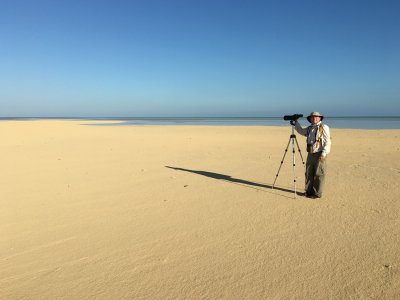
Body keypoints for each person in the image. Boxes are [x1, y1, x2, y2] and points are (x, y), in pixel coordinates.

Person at [293, 112, 331, 198]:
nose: (314, 118)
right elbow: (301, 131)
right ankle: (308, 192)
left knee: (319, 174)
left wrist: (324, 153)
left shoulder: (324, 127)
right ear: (310, 119)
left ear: (320, 118)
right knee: (309, 173)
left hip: (320, 153)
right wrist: (296, 123)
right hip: (310, 153)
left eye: (316, 117)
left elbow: (327, 141)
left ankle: (317, 194)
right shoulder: (310, 128)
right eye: (312, 117)